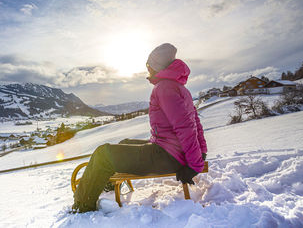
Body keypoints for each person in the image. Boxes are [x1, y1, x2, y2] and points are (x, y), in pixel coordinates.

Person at [72, 43, 207, 213]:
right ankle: (108, 189)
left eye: (149, 65)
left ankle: (81, 207)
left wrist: (194, 165)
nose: (147, 68)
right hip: (171, 151)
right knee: (125, 142)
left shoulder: (164, 87)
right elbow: (196, 123)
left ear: (156, 66)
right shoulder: (179, 87)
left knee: (102, 154)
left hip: (167, 156)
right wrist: (202, 152)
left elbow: (186, 127)